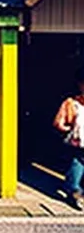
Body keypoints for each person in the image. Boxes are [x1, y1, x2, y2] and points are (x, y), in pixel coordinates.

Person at [54, 68, 84, 210]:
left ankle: (73, 189)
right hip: (79, 142)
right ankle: (73, 190)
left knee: (77, 164)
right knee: (77, 163)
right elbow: (58, 122)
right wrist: (69, 130)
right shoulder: (71, 103)